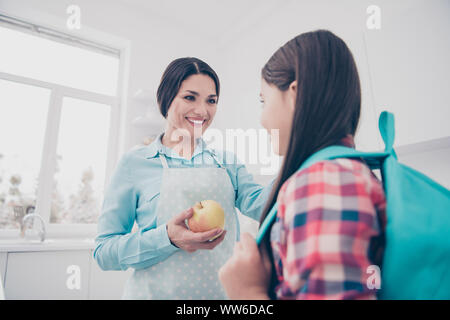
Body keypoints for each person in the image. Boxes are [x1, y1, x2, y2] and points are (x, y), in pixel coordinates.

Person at [219, 30, 386, 300]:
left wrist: (247, 292)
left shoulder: (323, 183)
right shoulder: (345, 173)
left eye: (264, 100)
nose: (262, 118)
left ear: (294, 95)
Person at [93, 57, 274, 299]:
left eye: (211, 101)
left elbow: (266, 205)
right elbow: (104, 253)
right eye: (190, 97)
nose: (202, 111)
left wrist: (300, 151)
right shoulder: (134, 164)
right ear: (166, 98)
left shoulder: (226, 162)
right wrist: (166, 237)